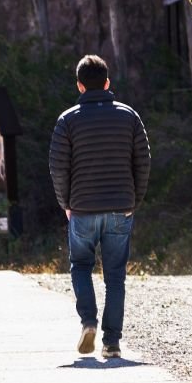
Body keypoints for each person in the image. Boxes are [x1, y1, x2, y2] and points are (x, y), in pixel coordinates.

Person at [48, 55, 151, 358]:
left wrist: (65, 203)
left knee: (80, 266)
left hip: (82, 208)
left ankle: (88, 323)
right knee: (115, 275)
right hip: (121, 207)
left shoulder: (67, 120)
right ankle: (112, 342)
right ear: (108, 83)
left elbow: (57, 167)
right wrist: (136, 200)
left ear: (79, 86)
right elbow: (143, 162)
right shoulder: (129, 116)